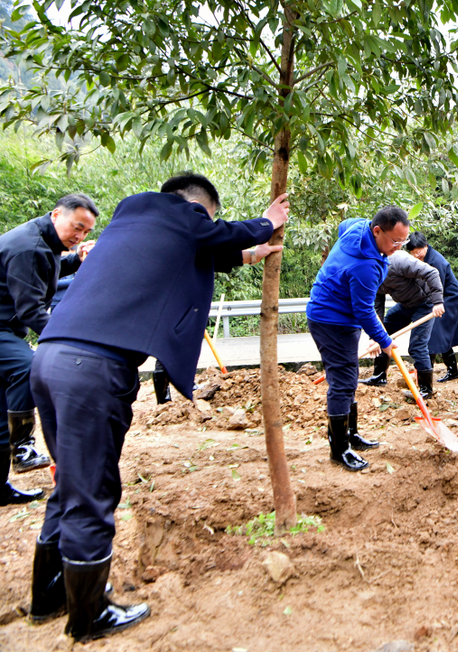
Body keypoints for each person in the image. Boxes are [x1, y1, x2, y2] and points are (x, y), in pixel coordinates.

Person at [29, 173, 287, 640]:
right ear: (198, 209)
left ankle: (48, 597)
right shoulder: (183, 214)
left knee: (69, 481)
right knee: (91, 492)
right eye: (207, 219)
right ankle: (87, 618)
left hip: (50, 360)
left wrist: (248, 253)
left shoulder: (134, 221)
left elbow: (197, 253)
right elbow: (212, 234)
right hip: (94, 369)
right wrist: (264, 224)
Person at [0, 194, 97, 507]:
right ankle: (24, 447)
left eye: (85, 233)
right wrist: (66, 340)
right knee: (28, 367)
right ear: (57, 214)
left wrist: (76, 259)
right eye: (77, 227)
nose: (79, 236)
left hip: (7, 329)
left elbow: (47, 269)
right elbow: (31, 311)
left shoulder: (44, 242)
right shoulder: (28, 246)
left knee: (3, 409)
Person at [306, 207, 410, 472]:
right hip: (331, 320)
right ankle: (339, 449)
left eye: (403, 242)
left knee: (349, 377)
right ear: (377, 231)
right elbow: (364, 311)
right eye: (395, 242)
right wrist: (384, 341)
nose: (399, 247)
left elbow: (343, 225)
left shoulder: (357, 227)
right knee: (342, 382)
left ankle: (350, 435)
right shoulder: (364, 267)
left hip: (342, 317)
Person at [358, 244, 445, 400]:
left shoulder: (399, 260)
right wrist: (375, 335)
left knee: (417, 346)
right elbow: (377, 306)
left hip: (425, 304)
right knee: (383, 333)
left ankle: (426, 390)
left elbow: (432, 272)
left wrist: (438, 301)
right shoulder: (370, 276)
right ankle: (379, 376)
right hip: (405, 306)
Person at [407, 233, 458, 382]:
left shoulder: (436, 261)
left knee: (434, 334)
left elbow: (438, 287)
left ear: (426, 246)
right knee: (440, 336)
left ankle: (425, 372)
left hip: (448, 299)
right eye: (412, 253)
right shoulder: (424, 258)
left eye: (419, 251)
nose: (416, 255)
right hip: (439, 298)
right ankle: (452, 371)